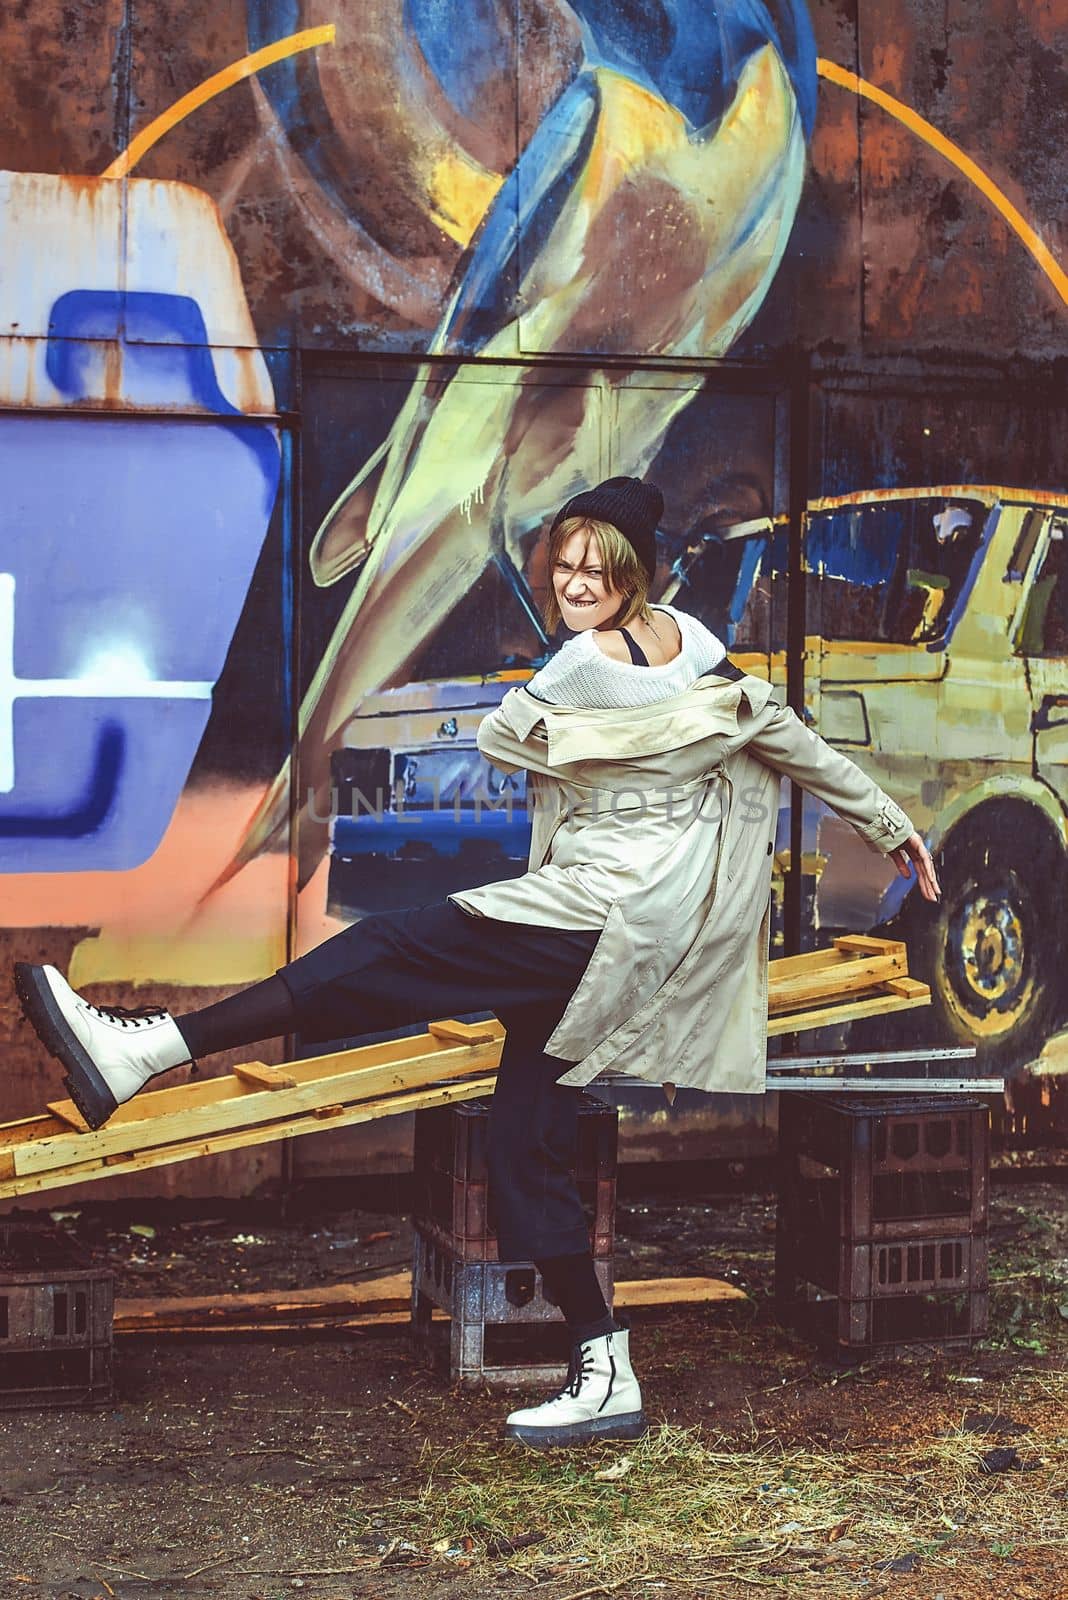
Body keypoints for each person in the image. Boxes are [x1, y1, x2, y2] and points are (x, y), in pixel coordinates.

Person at [13, 476, 940, 1450]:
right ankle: (604, 1364)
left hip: (591, 916)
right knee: (521, 1147)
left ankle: (150, 1047)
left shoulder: (583, 662)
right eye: (566, 564)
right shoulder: (685, 643)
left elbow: (506, 738)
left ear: (631, 576)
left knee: (382, 947)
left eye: (596, 567)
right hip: (628, 936)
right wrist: (889, 823)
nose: (575, 582)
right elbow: (779, 732)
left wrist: (561, 726)